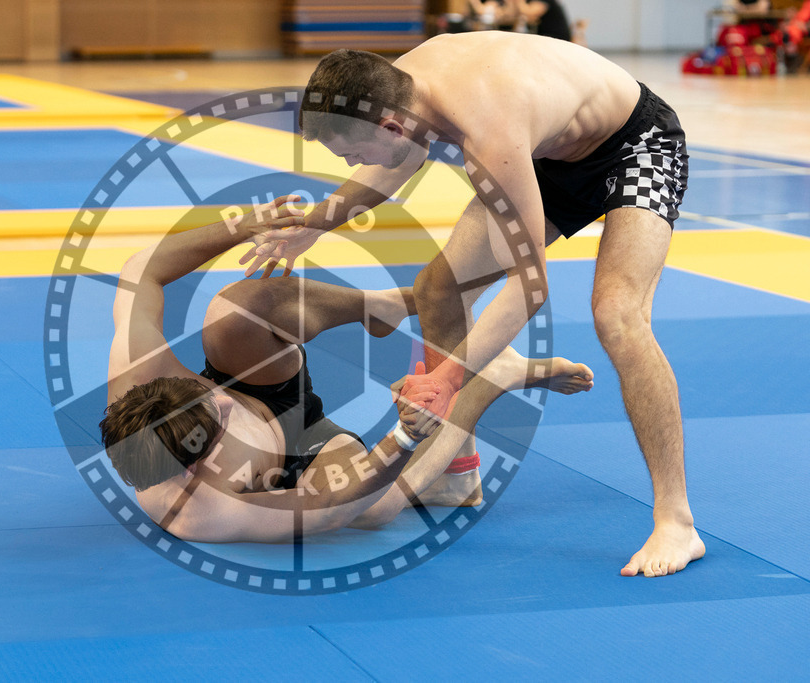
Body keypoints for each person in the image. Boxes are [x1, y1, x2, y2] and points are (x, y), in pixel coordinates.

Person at [240, 32, 704, 576]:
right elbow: (394, 160)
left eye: (352, 154)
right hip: (545, 152)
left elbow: (530, 285)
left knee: (617, 315)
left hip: (637, 146)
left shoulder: (488, 124)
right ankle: (454, 473)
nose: (354, 163)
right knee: (439, 289)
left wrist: (448, 379)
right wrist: (316, 224)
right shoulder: (399, 88)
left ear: (390, 125)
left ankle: (677, 521)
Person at [100, 195, 593, 542]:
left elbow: (141, 270)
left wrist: (242, 227)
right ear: (193, 466)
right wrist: (404, 437)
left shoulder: (138, 373)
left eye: (207, 396)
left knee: (235, 313)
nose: (223, 400)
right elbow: (329, 509)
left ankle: (381, 305)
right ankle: (491, 381)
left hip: (261, 383)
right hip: (300, 452)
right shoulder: (208, 513)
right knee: (373, 510)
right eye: (219, 419)